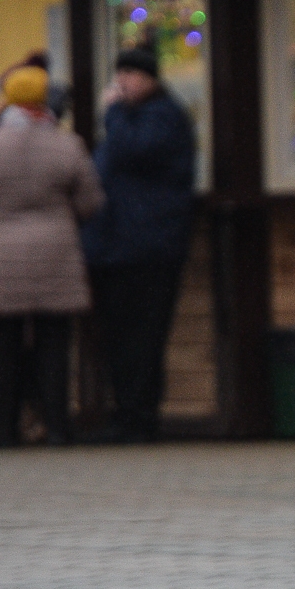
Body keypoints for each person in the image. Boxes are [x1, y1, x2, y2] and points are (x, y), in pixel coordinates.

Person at [0, 65, 105, 448]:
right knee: (54, 346)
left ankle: (3, 432)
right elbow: (90, 203)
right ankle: (57, 427)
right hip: (56, 254)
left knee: (1, 348)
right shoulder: (68, 146)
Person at [80, 47, 196, 443]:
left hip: (148, 246)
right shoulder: (133, 119)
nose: (122, 82)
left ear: (152, 80)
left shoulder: (161, 117)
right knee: (121, 338)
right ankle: (126, 414)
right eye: (120, 73)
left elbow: (135, 150)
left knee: (141, 337)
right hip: (118, 245)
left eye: (131, 74)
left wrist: (111, 114)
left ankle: (137, 418)